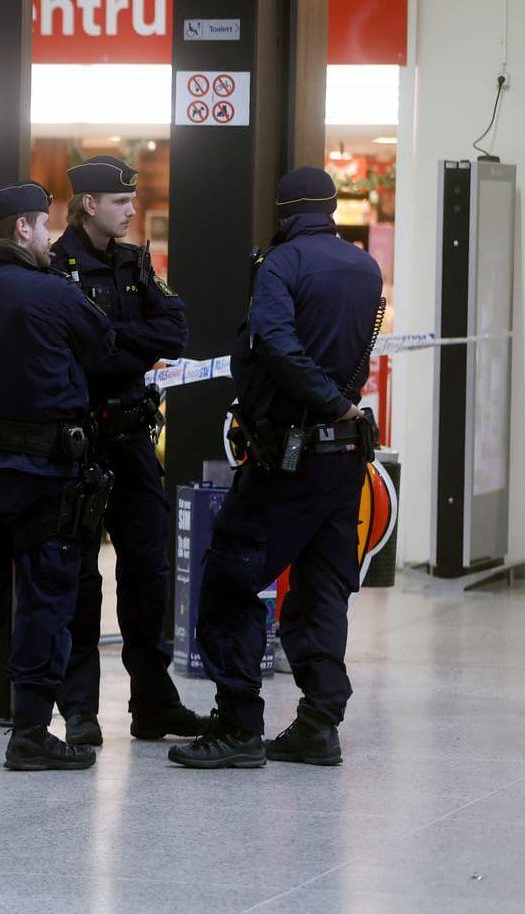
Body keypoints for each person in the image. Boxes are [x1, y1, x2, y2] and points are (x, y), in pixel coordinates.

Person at [169, 166, 384, 769]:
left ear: (284, 212)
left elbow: (277, 344)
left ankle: (238, 725)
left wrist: (326, 398)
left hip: (291, 455)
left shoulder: (281, 266)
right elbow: (352, 350)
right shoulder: (363, 266)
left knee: (231, 577)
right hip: (344, 456)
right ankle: (319, 722)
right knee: (322, 586)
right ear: (333, 207)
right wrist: (341, 404)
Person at [0, 180, 114, 772]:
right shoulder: (52, 295)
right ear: (22, 230)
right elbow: (103, 344)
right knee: (44, 596)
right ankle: (30, 732)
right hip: (44, 475)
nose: (50, 238)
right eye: (44, 225)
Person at [49, 155, 209, 747]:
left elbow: (175, 331)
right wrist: (124, 349)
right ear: (88, 203)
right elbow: (73, 353)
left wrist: (114, 342)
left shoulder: (134, 263)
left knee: (148, 569)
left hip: (131, 439)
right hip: (78, 445)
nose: (131, 209)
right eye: (121, 201)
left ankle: (153, 702)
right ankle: (79, 708)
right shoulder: (55, 266)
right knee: (78, 576)